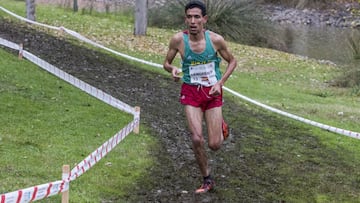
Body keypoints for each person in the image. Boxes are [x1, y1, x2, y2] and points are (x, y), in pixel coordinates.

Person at [163, 0, 237, 194]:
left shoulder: (216, 40)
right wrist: (173, 69)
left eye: (197, 17)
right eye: (189, 17)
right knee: (196, 139)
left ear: (204, 19)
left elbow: (232, 61)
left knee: (214, 145)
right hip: (191, 92)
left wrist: (220, 83)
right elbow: (166, 63)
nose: (193, 21)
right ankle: (207, 179)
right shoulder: (178, 40)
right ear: (185, 19)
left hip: (212, 94)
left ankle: (221, 126)